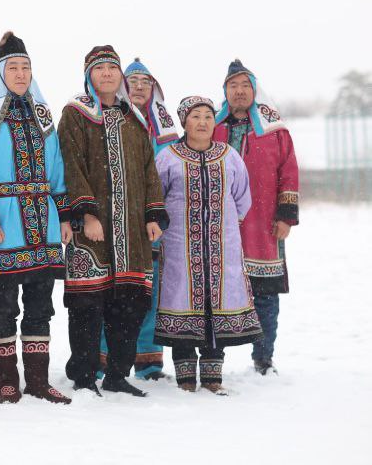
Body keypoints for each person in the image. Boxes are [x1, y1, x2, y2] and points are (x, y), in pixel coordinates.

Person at [0, 32, 72, 405]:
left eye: (26, 67)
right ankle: (6, 380)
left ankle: (38, 381)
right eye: (14, 67)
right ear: (0, 72)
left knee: (41, 306)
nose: (21, 74)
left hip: (43, 223)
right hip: (5, 223)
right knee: (3, 306)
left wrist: (64, 215)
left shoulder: (43, 114)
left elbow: (56, 167)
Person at [57, 45, 167, 398]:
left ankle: (118, 374)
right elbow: (71, 164)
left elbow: (149, 170)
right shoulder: (76, 113)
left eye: (112, 68)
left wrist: (153, 213)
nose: (107, 74)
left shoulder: (133, 118)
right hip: (93, 228)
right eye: (99, 68)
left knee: (130, 305)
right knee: (88, 305)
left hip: (132, 230)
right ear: (88, 76)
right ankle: (84, 374)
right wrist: (87, 213)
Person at [156, 96, 262, 394]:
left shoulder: (229, 156)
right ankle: (185, 375)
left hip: (222, 244)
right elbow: (156, 198)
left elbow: (242, 197)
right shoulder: (168, 157)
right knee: (181, 299)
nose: (202, 122)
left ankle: (213, 374)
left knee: (218, 302)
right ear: (184, 122)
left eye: (207, 116)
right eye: (195, 116)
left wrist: (223, 224)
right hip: (179, 245)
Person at [212, 59, 299, 375]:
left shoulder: (275, 130)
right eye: (233, 86)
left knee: (265, 295)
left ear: (255, 90)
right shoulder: (212, 127)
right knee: (216, 293)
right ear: (225, 92)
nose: (239, 91)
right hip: (218, 226)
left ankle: (263, 358)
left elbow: (288, 171)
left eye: (245, 85)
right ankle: (213, 359)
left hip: (263, 225)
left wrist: (286, 215)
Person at [96, 58, 179, 381]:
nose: (140, 87)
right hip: (115, 218)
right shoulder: (109, 118)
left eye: (146, 82)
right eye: (134, 82)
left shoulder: (167, 131)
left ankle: (148, 361)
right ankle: (104, 359)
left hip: (154, 223)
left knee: (148, 293)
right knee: (110, 292)